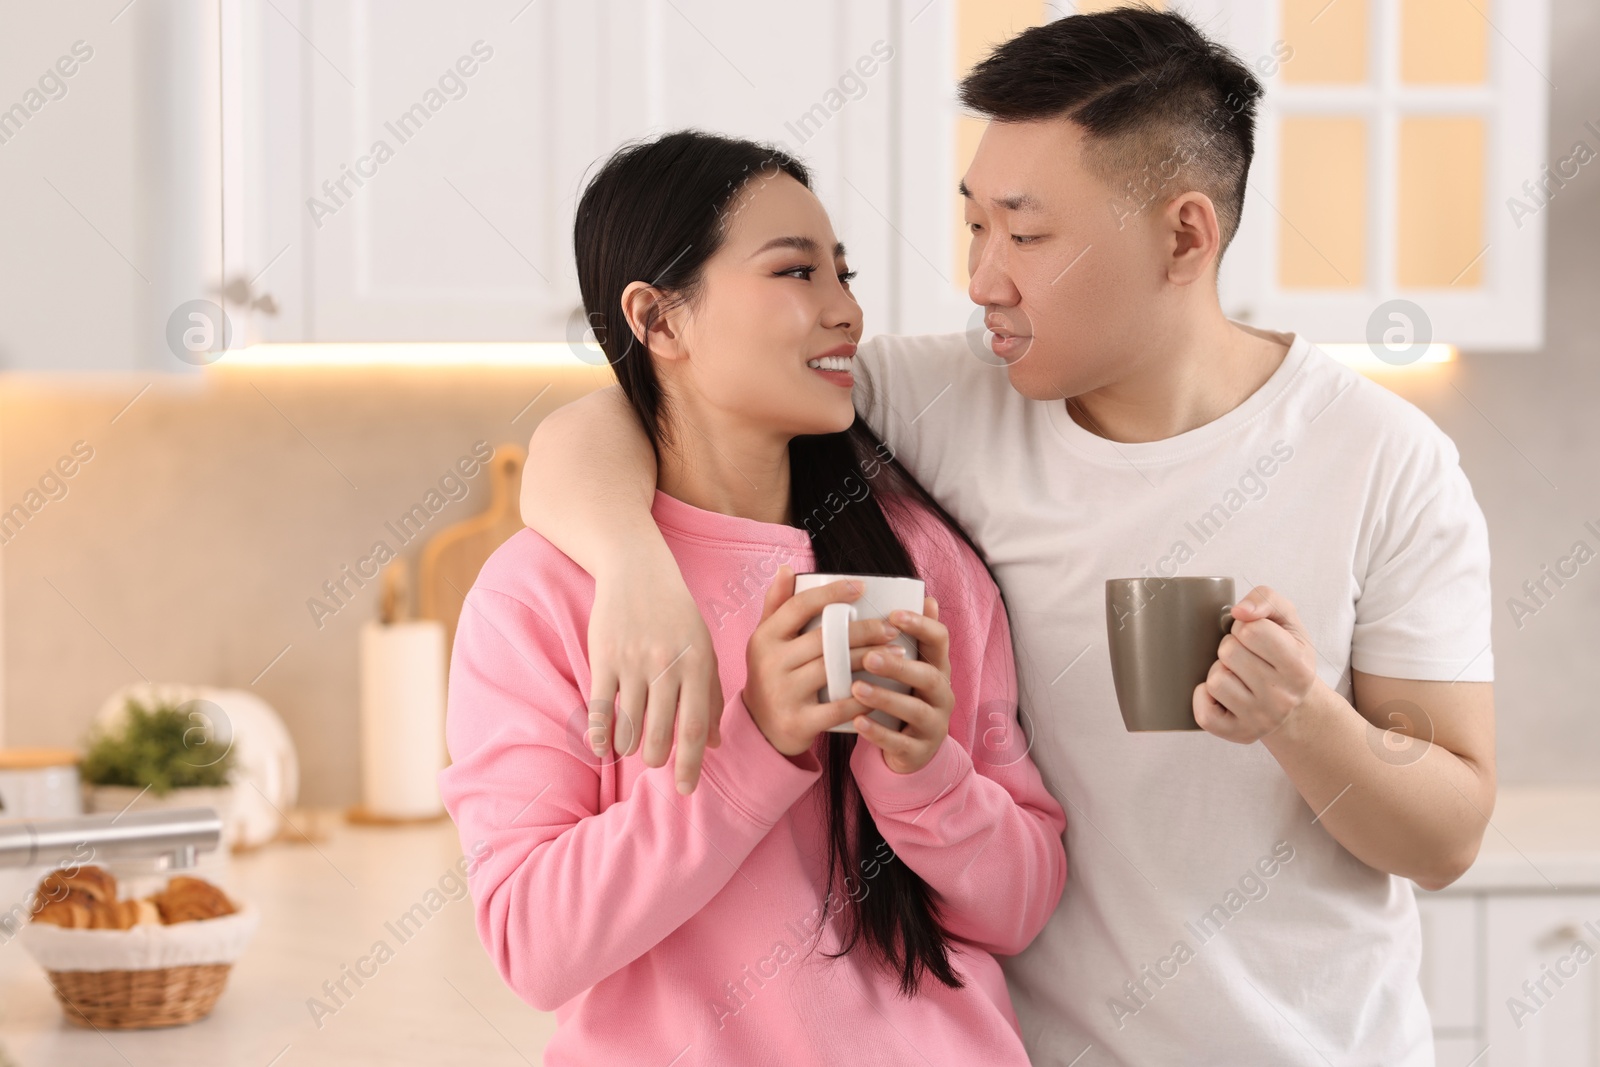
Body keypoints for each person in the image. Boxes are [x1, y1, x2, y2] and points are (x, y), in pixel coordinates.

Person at [511, 9, 1497, 1067]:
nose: (983, 277)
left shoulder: (1384, 459)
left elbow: (1445, 832)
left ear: (1184, 234)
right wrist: (628, 562)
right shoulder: (942, 400)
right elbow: (631, 405)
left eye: (1025, 235)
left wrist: (1304, 719)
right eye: (974, 225)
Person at [438, 129, 1067, 1066]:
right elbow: (534, 944)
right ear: (658, 321)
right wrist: (757, 744)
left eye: (842, 274)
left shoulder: (920, 559)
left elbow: (1018, 909)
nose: (845, 309)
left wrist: (924, 770)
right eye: (795, 273)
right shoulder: (542, 598)